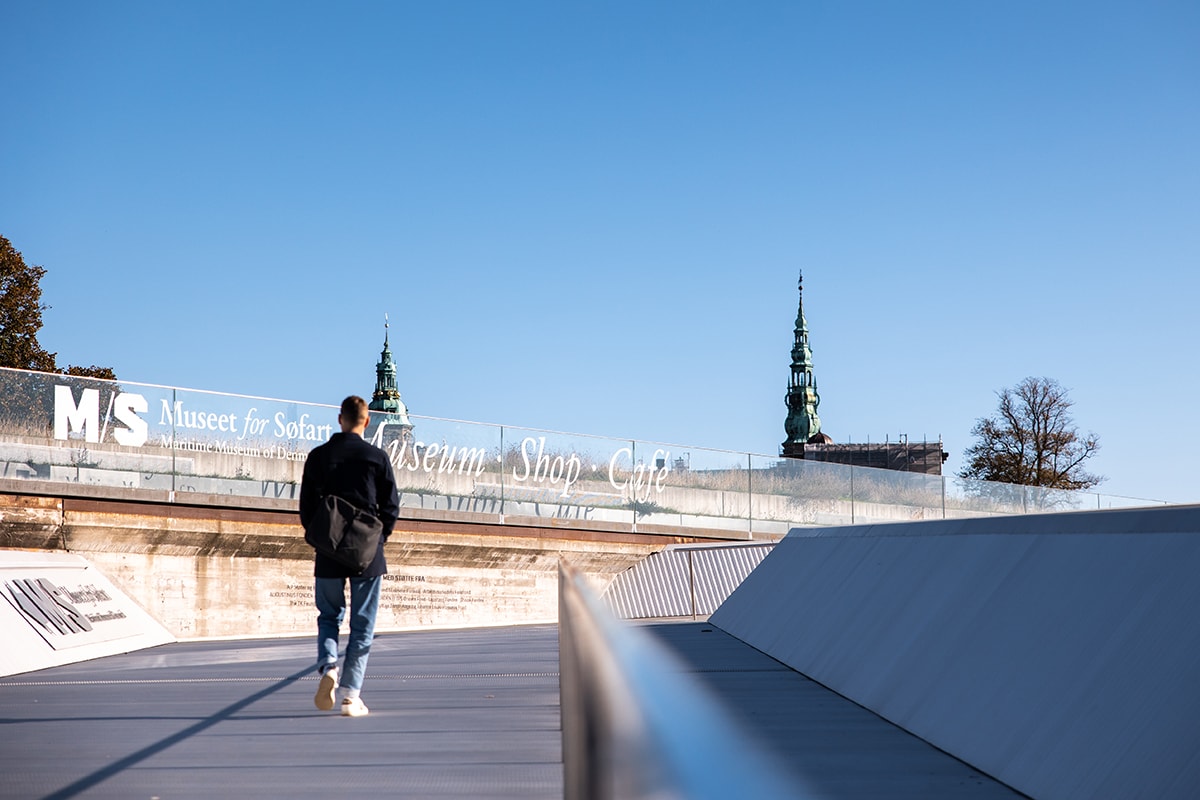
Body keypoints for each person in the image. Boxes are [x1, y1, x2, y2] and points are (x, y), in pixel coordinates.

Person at [299, 395, 400, 717]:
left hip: (328, 549)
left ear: (339, 418)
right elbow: (391, 506)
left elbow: (306, 507)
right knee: (362, 625)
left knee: (329, 615)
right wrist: (378, 538)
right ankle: (349, 697)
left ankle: (329, 665)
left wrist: (321, 539)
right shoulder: (376, 457)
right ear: (366, 421)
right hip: (367, 553)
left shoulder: (318, 456)